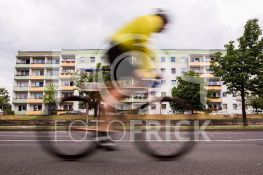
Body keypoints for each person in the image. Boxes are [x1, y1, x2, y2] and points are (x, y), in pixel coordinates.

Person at [103, 9, 170, 113]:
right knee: (141, 80)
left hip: (116, 51)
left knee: (118, 87)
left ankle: (105, 123)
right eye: (165, 26)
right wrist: (150, 71)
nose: (164, 29)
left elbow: (145, 49)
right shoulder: (151, 22)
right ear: (163, 22)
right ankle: (108, 103)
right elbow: (142, 45)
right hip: (117, 51)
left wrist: (151, 69)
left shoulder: (146, 21)